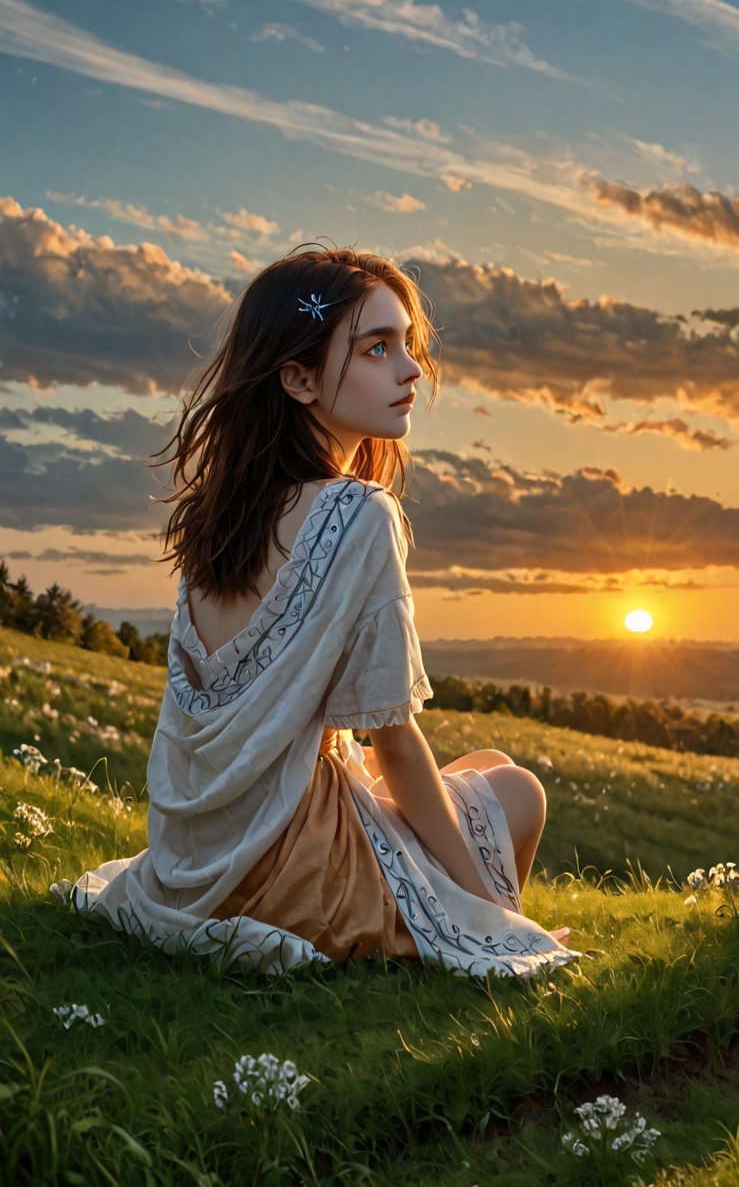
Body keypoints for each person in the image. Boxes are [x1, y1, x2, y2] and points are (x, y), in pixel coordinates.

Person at [73, 245, 582, 981]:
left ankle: (443, 924)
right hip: (285, 872)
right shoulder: (358, 511)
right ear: (299, 378)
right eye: (378, 347)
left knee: (486, 766)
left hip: (200, 855)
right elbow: (396, 739)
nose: (409, 369)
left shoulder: (220, 514)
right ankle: (457, 953)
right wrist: (494, 921)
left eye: (408, 343)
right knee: (519, 791)